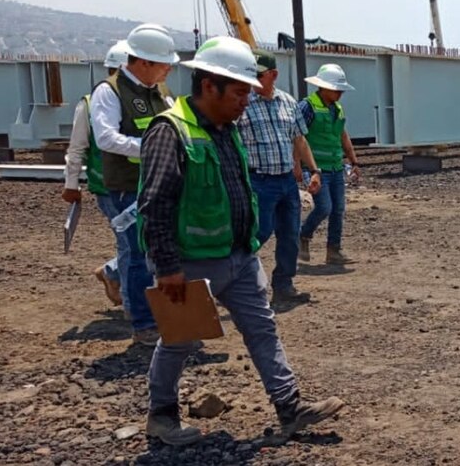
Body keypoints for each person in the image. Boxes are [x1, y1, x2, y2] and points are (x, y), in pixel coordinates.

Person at [138, 36, 345, 446]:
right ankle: (161, 417)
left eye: (248, 92)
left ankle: (289, 408)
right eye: (238, 92)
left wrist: (248, 245)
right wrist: (168, 268)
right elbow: (156, 204)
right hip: (191, 263)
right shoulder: (171, 131)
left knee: (263, 329)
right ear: (208, 85)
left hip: (239, 256)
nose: (245, 101)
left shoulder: (226, 129)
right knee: (180, 341)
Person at [90, 23, 177, 346]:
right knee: (139, 254)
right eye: (164, 63)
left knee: (163, 251)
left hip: (161, 185)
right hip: (128, 189)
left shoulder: (162, 93)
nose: (169, 68)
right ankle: (144, 324)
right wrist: (151, 147)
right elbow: (106, 138)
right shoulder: (109, 92)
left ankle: (164, 317)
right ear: (142, 63)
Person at [236, 50, 318, 306]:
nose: (254, 81)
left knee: (290, 234)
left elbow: (299, 138)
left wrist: (313, 170)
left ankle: (284, 285)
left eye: (259, 75)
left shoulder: (288, 102)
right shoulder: (242, 104)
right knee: (258, 232)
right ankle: (229, 279)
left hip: (286, 181)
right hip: (258, 180)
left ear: (273, 75)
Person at [62, 40, 133, 308]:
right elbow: (76, 148)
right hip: (108, 189)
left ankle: (112, 273)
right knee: (128, 242)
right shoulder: (90, 105)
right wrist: (72, 184)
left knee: (141, 241)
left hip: (140, 185)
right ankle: (130, 299)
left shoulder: (145, 100)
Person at [299, 64, 361, 265]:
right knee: (324, 207)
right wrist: (298, 166)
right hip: (317, 169)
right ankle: (303, 235)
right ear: (323, 87)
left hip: (335, 166)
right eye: (336, 89)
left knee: (338, 209)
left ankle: (334, 250)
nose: (340, 93)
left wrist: (353, 160)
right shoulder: (307, 107)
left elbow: (343, 135)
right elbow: (297, 137)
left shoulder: (338, 109)